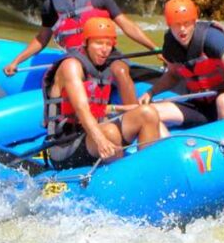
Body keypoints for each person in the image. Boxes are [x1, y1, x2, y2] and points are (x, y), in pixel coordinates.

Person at [2, 0, 158, 105]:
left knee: (122, 71)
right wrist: (16, 61)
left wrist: (154, 48)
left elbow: (127, 25)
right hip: (77, 58)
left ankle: (135, 116)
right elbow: (42, 38)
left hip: (106, 54)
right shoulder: (50, 5)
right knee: (72, 77)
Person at [42, 17, 164, 169]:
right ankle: (122, 177)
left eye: (108, 44)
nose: (104, 49)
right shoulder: (71, 66)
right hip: (64, 146)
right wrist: (100, 139)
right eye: (98, 43)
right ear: (86, 43)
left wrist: (122, 109)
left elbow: (96, 107)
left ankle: (147, 169)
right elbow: (82, 110)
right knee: (110, 133)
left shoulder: (102, 66)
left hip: (91, 134)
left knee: (147, 113)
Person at [139, 0, 224, 128]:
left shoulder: (213, 38)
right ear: (169, 25)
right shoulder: (170, 44)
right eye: (177, 24)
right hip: (200, 104)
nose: (182, 29)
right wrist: (151, 92)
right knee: (154, 112)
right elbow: (173, 75)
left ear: (194, 21)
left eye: (186, 23)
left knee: (223, 102)